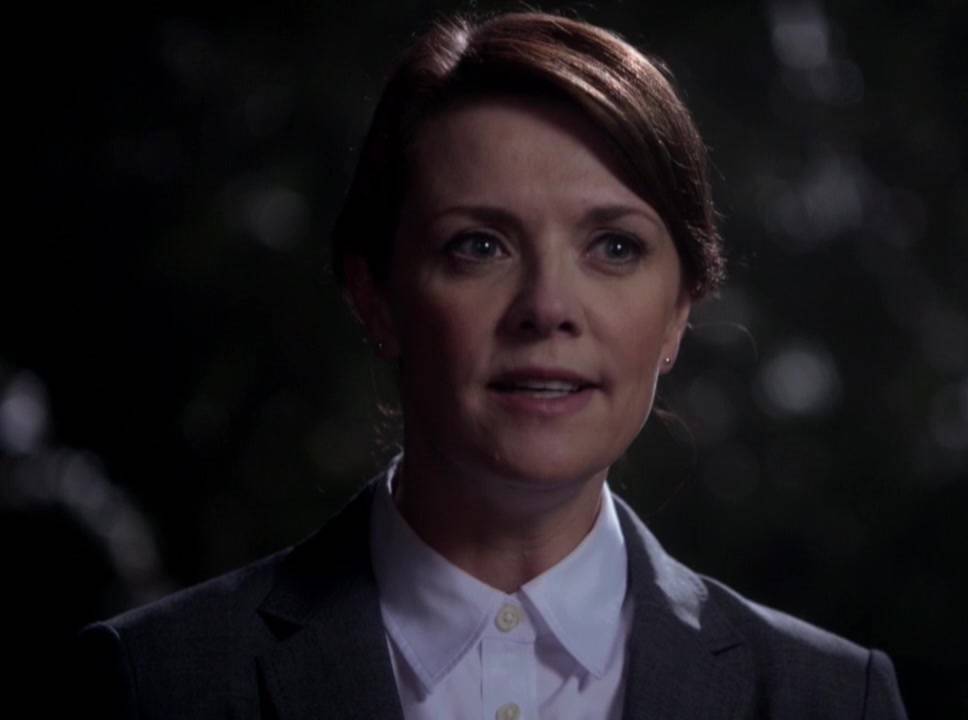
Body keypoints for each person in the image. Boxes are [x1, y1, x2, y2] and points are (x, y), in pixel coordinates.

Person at [76, 12, 909, 719]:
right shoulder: (153, 685)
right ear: (375, 296)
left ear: (678, 314)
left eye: (614, 247)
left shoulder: (833, 701)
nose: (548, 307)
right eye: (478, 246)